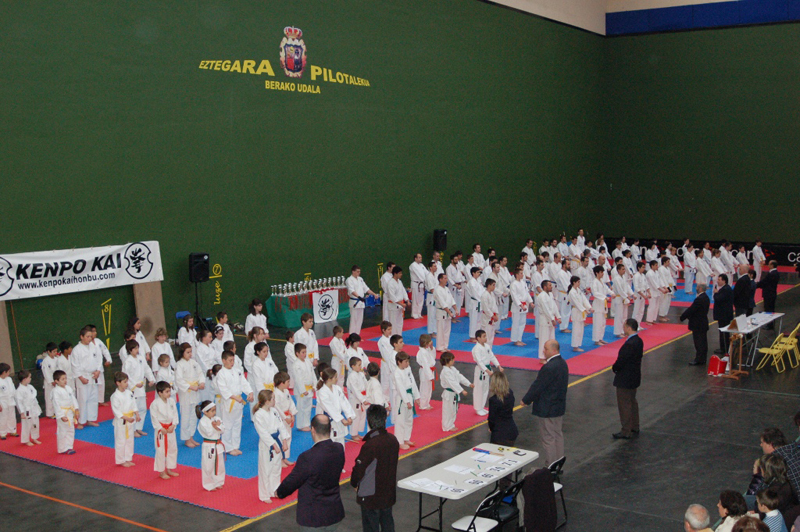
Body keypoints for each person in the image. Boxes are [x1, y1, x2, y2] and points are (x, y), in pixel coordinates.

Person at [276, 415, 346, 531]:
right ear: (330, 428)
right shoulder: (339, 448)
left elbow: (293, 481)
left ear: (313, 430)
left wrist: (279, 492)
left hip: (313, 517)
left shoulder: (308, 457)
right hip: (334, 513)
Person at [351, 405, 400, 532]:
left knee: (371, 527)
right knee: (388, 523)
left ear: (369, 421)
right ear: (385, 420)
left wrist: (354, 483)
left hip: (370, 496)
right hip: (388, 493)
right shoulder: (393, 440)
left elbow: (359, 470)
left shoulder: (371, 445)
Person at [521, 340, 568, 465]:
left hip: (547, 407)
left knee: (548, 437)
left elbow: (538, 386)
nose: (544, 351)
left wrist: (526, 400)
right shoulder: (563, 364)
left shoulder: (549, 367)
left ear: (554, 350)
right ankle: (559, 462)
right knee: (558, 434)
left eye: (546, 349)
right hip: (559, 406)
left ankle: (551, 465)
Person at [253, 389, 289, 503]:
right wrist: (273, 444)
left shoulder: (274, 411)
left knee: (276, 468)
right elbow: (262, 432)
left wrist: (284, 440)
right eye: (273, 398)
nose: (275, 400)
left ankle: (274, 490)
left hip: (276, 440)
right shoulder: (258, 415)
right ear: (267, 401)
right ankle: (264, 495)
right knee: (266, 469)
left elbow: (281, 426)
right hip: (266, 444)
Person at [217, 351, 254, 455]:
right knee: (228, 425)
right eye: (230, 360)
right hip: (229, 402)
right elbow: (223, 390)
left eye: (233, 360)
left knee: (237, 424)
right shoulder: (221, 374)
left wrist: (250, 392)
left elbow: (244, 383)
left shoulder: (237, 371)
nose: (232, 362)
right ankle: (227, 448)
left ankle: (235, 446)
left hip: (238, 402)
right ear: (223, 361)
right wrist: (235, 398)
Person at [612, 319, 644, 439]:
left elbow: (621, 361)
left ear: (629, 328)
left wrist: (615, 368)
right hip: (634, 377)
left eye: (625, 326)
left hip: (625, 378)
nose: (624, 329)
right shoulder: (639, 341)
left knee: (624, 404)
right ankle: (634, 425)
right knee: (632, 401)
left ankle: (626, 430)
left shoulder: (629, 344)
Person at [71, 326, 102, 429]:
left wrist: (98, 371)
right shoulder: (77, 350)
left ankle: (90, 419)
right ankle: (80, 421)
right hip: (83, 376)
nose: (90, 338)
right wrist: (80, 377)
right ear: (81, 337)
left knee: (93, 398)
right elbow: (75, 365)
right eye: (88, 336)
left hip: (93, 375)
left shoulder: (94, 347)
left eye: (91, 336)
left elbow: (99, 359)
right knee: (82, 399)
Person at [316, 367, 355, 447]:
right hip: (329, 420)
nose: (337, 379)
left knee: (340, 441)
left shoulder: (337, 388)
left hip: (339, 418)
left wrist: (349, 416)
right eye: (335, 377)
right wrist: (342, 419)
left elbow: (344, 402)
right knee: (330, 443)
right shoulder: (322, 392)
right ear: (329, 379)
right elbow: (329, 408)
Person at [175, 342, 204, 447]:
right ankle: (186, 439)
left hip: (195, 393)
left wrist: (202, 382)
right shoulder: (179, 364)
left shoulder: (194, 362)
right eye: (188, 352)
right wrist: (191, 387)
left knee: (194, 416)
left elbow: (200, 373)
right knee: (186, 417)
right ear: (182, 353)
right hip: (186, 393)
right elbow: (179, 380)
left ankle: (191, 437)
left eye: (191, 352)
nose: (190, 354)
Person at [150, 381, 180, 479]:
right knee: (161, 450)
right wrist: (160, 428)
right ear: (160, 393)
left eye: (169, 391)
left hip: (170, 428)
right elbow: (154, 418)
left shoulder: (171, 401)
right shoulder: (155, 404)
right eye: (167, 391)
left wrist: (173, 425)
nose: (169, 393)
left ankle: (170, 468)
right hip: (161, 430)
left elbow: (175, 414)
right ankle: (161, 471)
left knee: (172, 448)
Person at [110, 371, 138, 466]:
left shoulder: (129, 393)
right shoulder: (115, 396)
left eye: (127, 381)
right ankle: (121, 460)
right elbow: (116, 411)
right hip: (121, 421)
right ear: (118, 383)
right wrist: (127, 418)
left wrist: (137, 414)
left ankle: (128, 458)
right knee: (121, 441)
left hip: (130, 420)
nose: (127, 384)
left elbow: (133, 404)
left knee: (130, 440)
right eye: (125, 382)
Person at [393, 351, 420, 450]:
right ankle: (399, 441)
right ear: (399, 362)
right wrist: (406, 401)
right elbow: (400, 388)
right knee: (400, 421)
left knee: (409, 419)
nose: (407, 363)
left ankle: (406, 438)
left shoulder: (408, 369)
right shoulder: (397, 373)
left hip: (410, 396)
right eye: (405, 362)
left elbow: (413, 383)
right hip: (402, 399)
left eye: (408, 361)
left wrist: (417, 397)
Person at [439, 351, 472, 431]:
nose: (454, 361)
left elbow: (459, 376)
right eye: (452, 359)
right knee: (448, 410)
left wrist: (468, 383)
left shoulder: (452, 369)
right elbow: (452, 383)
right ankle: (446, 426)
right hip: (449, 393)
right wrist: (461, 390)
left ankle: (451, 424)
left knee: (454, 410)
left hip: (454, 393)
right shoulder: (445, 372)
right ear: (447, 361)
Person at [472, 329, 502, 416]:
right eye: (484, 336)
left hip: (487, 369)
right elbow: (479, 362)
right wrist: (487, 370)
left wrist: (498, 365)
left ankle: (482, 407)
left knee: (485, 389)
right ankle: (478, 408)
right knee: (479, 389)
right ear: (478, 338)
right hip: (481, 370)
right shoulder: (476, 349)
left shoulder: (487, 346)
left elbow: (492, 356)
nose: (486, 338)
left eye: (486, 336)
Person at [197, 400, 225, 491]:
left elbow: (222, 430)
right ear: (205, 412)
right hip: (209, 445)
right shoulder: (202, 422)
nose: (214, 412)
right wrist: (214, 427)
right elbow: (208, 433)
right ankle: (209, 484)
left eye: (215, 410)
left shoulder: (216, 419)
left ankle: (218, 482)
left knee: (219, 465)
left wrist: (218, 426)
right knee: (208, 465)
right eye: (212, 411)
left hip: (218, 445)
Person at [681, 283, 711, 366]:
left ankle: (699, 359)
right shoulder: (706, 297)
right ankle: (703, 358)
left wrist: (683, 317)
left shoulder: (699, 299)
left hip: (698, 324)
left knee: (699, 342)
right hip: (703, 322)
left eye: (697, 287)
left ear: (700, 289)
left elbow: (692, 309)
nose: (696, 288)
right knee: (703, 342)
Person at [51, 370, 79, 454]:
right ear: (56, 381)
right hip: (63, 412)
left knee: (71, 429)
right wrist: (61, 415)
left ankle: (69, 447)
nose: (65, 381)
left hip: (70, 411)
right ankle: (62, 448)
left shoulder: (68, 388)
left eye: (65, 378)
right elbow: (56, 404)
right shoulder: (55, 391)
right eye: (62, 379)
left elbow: (73, 399)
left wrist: (76, 409)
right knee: (63, 431)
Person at [488, 371, 518, 446]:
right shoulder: (510, 393)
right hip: (511, 430)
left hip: (499, 433)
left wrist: (491, 429)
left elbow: (491, 418)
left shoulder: (494, 400)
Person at [273, 372, 296, 466]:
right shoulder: (275, 393)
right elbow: (276, 407)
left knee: (288, 437)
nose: (289, 384)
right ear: (281, 383)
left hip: (288, 416)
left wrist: (293, 413)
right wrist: (285, 417)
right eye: (287, 382)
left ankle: (285, 457)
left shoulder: (286, 391)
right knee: (282, 438)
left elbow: (291, 402)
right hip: (281, 418)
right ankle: (280, 459)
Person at [347, 265, 377, 335]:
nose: (359, 273)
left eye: (359, 271)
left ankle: (357, 335)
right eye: (357, 271)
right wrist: (359, 297)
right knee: (353, 320)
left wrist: (374, 294)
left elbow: (366, 288)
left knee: (359, 320)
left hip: (361, 302)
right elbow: (351, 290)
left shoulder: (360, 279)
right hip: (355, 301)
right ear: (353, 271)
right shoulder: (349, 280)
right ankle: (352, 336)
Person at [293, 343, 316, 432]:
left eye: (305, 352)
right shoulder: (296, 365)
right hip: (301, 390)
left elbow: (313, 374)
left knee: (308, 407)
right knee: (301, 408)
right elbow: (298, 379)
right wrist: (303, 390)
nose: (305, 354)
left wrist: (314, 385)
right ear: (297, 353)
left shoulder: (308, 362)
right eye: (302, 352)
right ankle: (301, 425)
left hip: (309, 388)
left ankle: (306, 424)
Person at [15, 370, 41, 446]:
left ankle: (35, 437)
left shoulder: (30, 387)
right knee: (27, 425)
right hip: (27, 410)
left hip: (34, 408)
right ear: (24, 379)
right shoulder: (19, 390)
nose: (30, 379)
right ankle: (26, 440)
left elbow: (34, 397)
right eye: (29, 377)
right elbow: (19, 403)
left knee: (35, 424)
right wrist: (22, 413)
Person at [536, 280, 560, 361]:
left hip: (550, 318)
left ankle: (550, 356)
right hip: (545, 319)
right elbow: (546, 309)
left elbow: (554, 306)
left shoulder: (550, 294)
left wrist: (558, 316)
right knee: (544, 339)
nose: (551, 286)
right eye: (549, 285)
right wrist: (552, 319)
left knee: (551, 339)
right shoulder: (541, 296)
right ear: (545, 287)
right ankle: (542, 358)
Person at [346, 357, 369, 441]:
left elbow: (366, 384)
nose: (360, 366)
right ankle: (353, 434)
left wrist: (368, 396)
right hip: (355, 398)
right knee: (355, 415)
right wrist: (363, 399)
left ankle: (357, 432)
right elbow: (355, 390)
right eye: (359, 365)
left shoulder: (361, 374)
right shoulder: (351, 376)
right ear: (353, 366)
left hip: (363, 396)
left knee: (362, 415)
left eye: (361, 364)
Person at [568, 275, 592, 352]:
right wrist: (584, 310)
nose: (579, 283)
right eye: (578, 282)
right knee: (576, 330)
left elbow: (584, 300)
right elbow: (577, 303)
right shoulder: (572, 292)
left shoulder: (578, 290)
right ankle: (575, 346)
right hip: (576, 311)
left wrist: (589, 307)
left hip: (581, 311)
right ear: (574, 282)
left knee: (581, 330)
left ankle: (578, 344)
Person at [509, 267, 533, 346]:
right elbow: (514, 297)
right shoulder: (513, 284)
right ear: (517, 275)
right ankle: (515, 340)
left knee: (522, 323)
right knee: (516, 323)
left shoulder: (523, 283)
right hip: (517, 306)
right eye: (521, 273)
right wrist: (520, 305)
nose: (523, 275)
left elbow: (527, 293)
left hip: (524, 305)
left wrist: (531, 302)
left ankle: (519, 339)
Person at [434, 273, 457, 351]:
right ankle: (440, 347)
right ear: (440, 279)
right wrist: (449, 312)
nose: (446, 280)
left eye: (447, 278)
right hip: (441, 312)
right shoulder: (437, 289)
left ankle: (445, 346)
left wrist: (456, 309)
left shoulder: (446, 289)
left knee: (447, 330)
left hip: (448, 312)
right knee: (441, 330)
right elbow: (442, 302)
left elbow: (451, 299)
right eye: (445, 278)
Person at [590, 265, 612, 345]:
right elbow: (595, 293)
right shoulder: (594, 282)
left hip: (603, 304)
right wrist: (604, 297)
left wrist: (611, 293)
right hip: (598, 304)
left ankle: (600, 338)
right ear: (597, 273)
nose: (603, 274)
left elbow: (606, 289)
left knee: (603, 323)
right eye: (601, 272)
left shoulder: (601, 282)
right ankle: (596, 340)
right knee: (597, 323)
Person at [714, 275, 735, 355]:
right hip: (725, 314)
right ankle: (724, 347)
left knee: (723, 332)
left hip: (724, 314)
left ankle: (724, 348)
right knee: (723, 331)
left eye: (719, 280)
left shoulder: (725, 289)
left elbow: (719, 299)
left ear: (724, 281)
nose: (718, 281)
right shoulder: (726, 288)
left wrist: (716, 294)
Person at [386, 267, 408, 334]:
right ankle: (393, 340)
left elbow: (403, 291)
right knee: (393, 324)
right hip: (393, 306)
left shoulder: (399, 282)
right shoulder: (390, 283)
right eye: (399, 273)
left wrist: (407, 300)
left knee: (399, 323)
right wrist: (401, 304)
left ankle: (399, 339)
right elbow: (392, 297)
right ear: (395, 273)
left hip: (400, 306)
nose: (401, 274)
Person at [416, 334, 436, 410]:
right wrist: (430, 376)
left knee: (429, 389)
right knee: (424, 389)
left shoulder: (426, 350)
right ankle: (423, 405)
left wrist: (431, 348)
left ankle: (426, 403)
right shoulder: (422, 352)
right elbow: (425, 365)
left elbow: (432, 358)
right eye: (429, 341)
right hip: (425, 372)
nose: (431, 342)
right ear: (425, 343)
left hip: (430, 370)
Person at [758, 261, 780, 327]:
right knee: (771, 309)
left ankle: (769, 324)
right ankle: (771, 324)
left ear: (772, 265)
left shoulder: (772, 274)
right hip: (772, 293)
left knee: (768, 309)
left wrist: (755, 285)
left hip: (769, 294)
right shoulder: (775, 273)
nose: (768, 265)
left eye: (769, 264)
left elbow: (765, 282)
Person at [41, 343, 60, 418]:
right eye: (54, 351)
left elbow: (58, 370)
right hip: (49, 383)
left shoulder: (56, 359)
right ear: (48, 352)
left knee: (56, 397)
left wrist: (58, 380)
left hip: (56, 381)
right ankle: (49, 413)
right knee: (49, 397)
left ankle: (56, 411)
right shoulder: (45, 361)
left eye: (56, 351)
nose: (55, 353)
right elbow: (46, 373)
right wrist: (51, 381)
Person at [479, 278, 500, 345]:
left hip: (492, 317)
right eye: (493, 285)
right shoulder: (484, 295)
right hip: (487, 317)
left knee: (491, 335)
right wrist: (492, 316)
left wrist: (496, 314)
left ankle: (489, 352)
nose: (494, 287)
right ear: (489, 285)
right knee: (486, 335)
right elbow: (486, 308)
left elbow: (494, 306)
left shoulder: (492, 294)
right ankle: (485, 352)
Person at [0, 364, 17, 439]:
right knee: (3, 417)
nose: (9, 373)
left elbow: (13, 389)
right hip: (2, 401)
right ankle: (2, 432)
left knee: (12, 416)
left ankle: (12, 430)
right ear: (4, 372)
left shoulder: (9, 379)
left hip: (10, 400)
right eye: (8, 371)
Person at [409, 253, 427, 320]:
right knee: (415, 299)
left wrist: (428, 279)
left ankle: (419, 313)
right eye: (419, 257)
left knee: (421, 299)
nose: (420, 258)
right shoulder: (413, 265)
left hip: (421, 284)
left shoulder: (422, 265)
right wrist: (425, 280)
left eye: (421, 257)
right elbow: (420, 275)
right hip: (416, 284)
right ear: (415, 258)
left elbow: (426, 273)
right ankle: (414, 314)